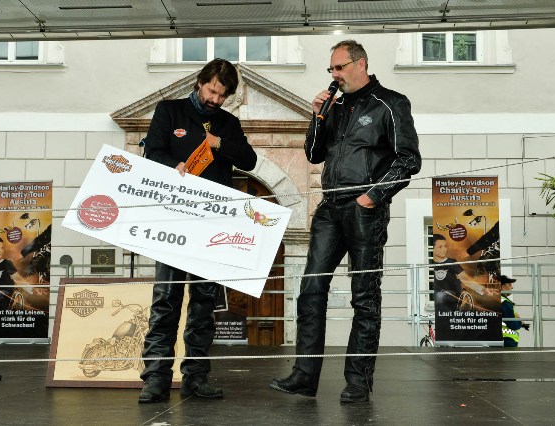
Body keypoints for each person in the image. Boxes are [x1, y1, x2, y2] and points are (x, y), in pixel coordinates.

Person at [269, 40, 421, 404]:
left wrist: (372, 196)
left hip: (364, 209)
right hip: (329, 207)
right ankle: (304, 376)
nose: (335, 75)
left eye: (340, 67)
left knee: (364, 296)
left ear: (360, 64)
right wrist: (318, 116)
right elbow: (313, 154)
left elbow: (408, 160)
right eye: (331, 69)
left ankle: (358, 381)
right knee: (311, 290)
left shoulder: (390, 103)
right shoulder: (334, 108)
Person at [138, 58, 257, 403]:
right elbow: (151, 152)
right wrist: (172, 165)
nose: (215, 99)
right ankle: (156, 379)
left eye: (222, 95)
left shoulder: (229, 123)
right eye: (212, 91)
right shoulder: (169, 110)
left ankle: (196, 377)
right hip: (172, 220)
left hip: (212, 225)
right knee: (166, 300)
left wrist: (218, 143)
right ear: (199, 83)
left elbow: (248, 160)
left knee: (204, 303)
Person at [499, 274, 529, 347]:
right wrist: (519, 322)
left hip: (500, 339)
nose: (512, 287)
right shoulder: (505, 302)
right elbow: (512, 324)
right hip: (507, 340)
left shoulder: (498, 300)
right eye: (509, 285)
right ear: (502, 287)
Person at [0, 236, 18, 311]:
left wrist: (31, 289)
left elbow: (18, 279)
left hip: (5, 292)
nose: (1, 251)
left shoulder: (7, 263)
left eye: (2, 248)